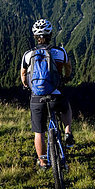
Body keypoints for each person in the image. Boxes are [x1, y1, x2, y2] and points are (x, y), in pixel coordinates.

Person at [20, 19, 74, 169]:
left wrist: (27, 86)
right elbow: (68, 67)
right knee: (65, 107)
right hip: (56, 94)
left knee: (39, 132)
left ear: (35, 37)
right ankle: (67, 131)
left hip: (37, 96)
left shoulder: (28, 55)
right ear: (50, 35)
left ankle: (43, 162)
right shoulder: (60, 52)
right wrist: (66, 77)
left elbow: (23, 75)